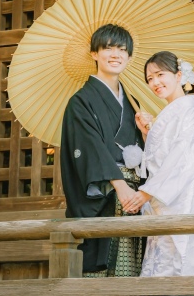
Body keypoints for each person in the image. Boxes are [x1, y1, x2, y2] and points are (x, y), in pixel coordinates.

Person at [122, 51, 194, 277]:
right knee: (166, 266)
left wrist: (146, 192)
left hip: (182, 200)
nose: (155, 83)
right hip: (168, 200)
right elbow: (164, 158)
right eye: (150, 79)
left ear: (179, 75)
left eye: (160, 75)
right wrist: (147, 135)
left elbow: (183, 159)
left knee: (181, 265)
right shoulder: (172, 114)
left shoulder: (188, 111)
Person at [60, 23, 146, 277]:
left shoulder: (132, 102)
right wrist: (120, 187)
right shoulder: (80, 102)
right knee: (106, 270)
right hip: (109, 194)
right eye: (108, 48)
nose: (116, 54)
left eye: (122, 49)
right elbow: (90, 147)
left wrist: (146, 134)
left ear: (129, 57)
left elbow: (143, 152)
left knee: (132, 269)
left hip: (134, 197)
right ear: (94, 53)